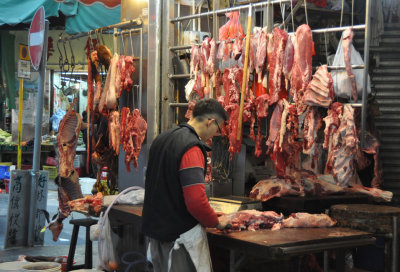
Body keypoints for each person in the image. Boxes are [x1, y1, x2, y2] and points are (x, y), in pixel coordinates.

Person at [142, 98, 231, 272]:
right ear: (210, 122)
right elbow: (196, 201)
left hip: (156, 234)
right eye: (218, 129)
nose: (215, 134)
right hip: (178, 239)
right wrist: (215, 222)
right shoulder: (191, 148)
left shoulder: (162, 138)